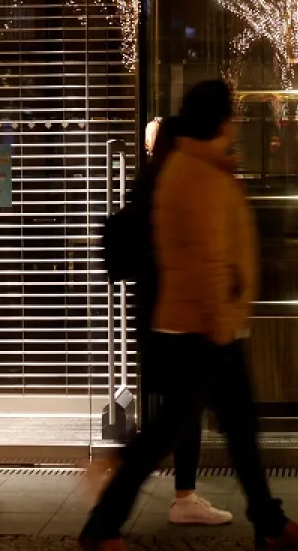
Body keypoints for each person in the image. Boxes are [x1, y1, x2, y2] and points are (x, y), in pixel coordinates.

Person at [79, 80, 298, 551]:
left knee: (238, 430)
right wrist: (221, 324)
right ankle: (102, 527)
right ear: (220, 119)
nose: (236, 122)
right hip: (202, 330)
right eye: (232, 114)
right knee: (167, 434)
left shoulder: (197, 167)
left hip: (208, 326)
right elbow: (205, 258)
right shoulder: (197, 174)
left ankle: (270, 522)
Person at [86, 115, 233, 526]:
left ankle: (175, 492)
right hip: (175, 314)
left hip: (157, 312)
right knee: (180, 412)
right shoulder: (173, 182)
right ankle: (149, 486)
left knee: (176, 410)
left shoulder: (151, 180)